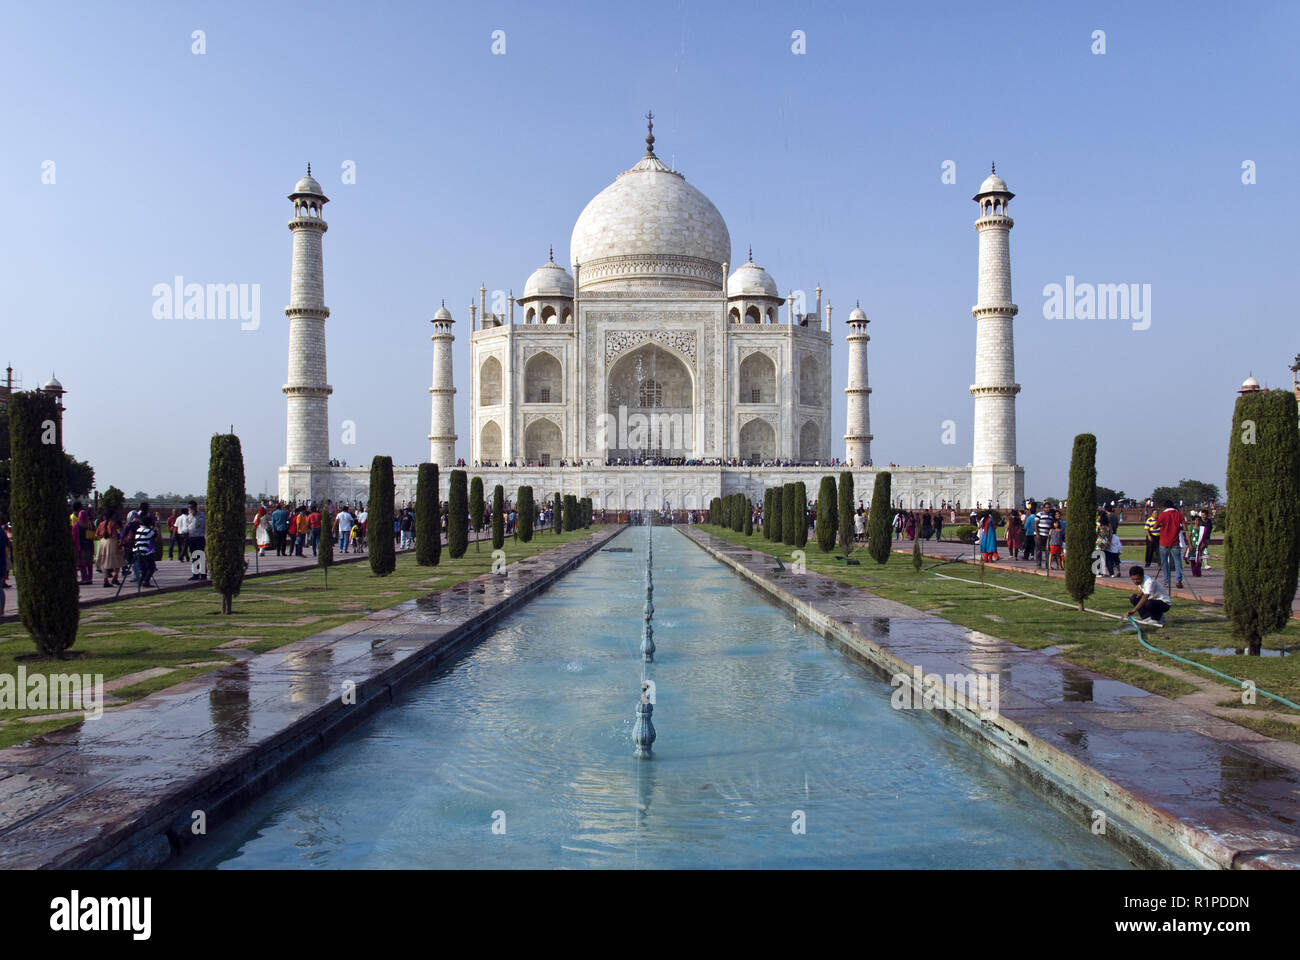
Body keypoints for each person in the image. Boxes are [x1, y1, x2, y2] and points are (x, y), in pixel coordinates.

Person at [1155, 500, 1184, 591]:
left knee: (1164, 563)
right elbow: (1185, 527)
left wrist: (1162, 525)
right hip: (1175, 541)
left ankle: (1166, 581)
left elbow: (1155, 526)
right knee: (1178, 562)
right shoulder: (1179, 514)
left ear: (1165, 507)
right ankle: (1178, 580)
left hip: (1164, 541)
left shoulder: (1163, 515)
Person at [94, 508, 124, 587]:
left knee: (104, 562)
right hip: (112, 542)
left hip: (103, 542)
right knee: (118, 561)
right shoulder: (114, 523)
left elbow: (96, 535)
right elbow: (121, 531)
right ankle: (115, 578)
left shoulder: (101, 523)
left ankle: (106, 581)